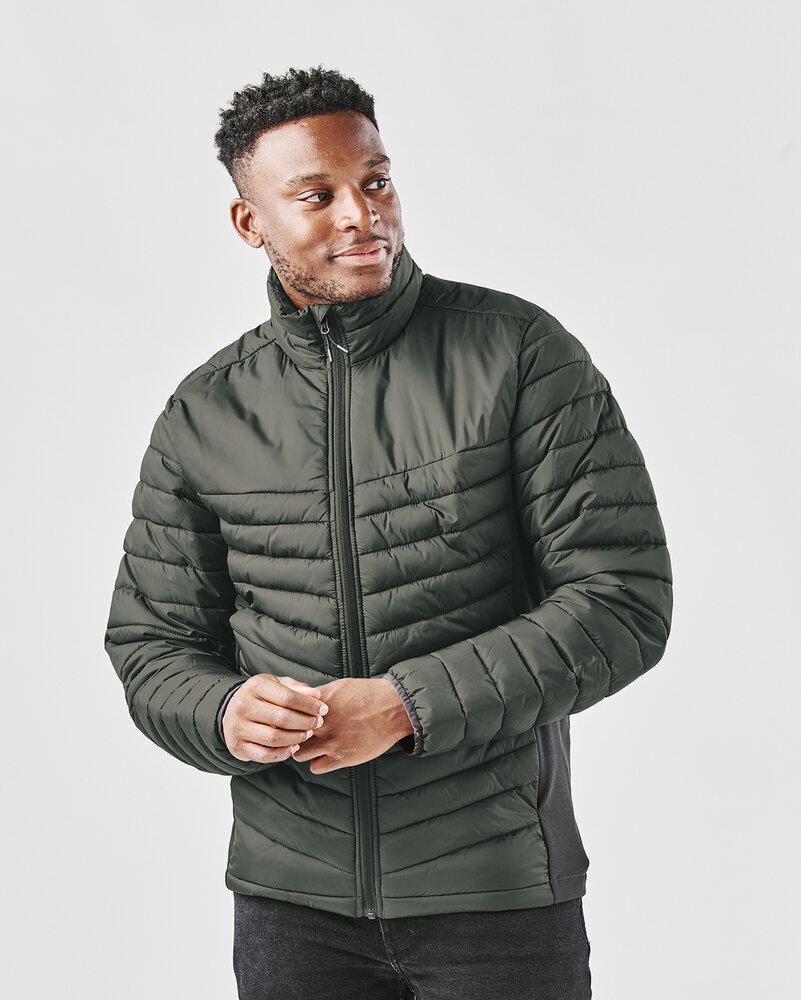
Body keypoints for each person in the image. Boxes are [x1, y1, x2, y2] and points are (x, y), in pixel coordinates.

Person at [104, 66, 673, 1000]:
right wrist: (221, 711)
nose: (361, 215)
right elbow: (150, 644)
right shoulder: (205, 412)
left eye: (375, 180)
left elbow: (622, 602)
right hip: (290, 909)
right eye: (315, 195)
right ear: (250, 222)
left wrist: (407, 705)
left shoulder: (517, 353)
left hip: (495, 894)